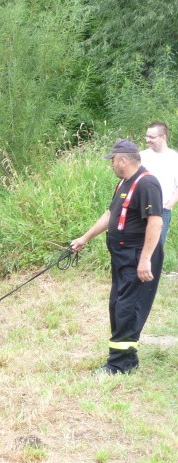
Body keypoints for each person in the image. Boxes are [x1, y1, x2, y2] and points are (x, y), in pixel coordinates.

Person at [70, 139, 164, 375]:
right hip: (122, 254)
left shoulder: (147, 183)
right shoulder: (124, 182)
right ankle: (127, 359)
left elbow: (156, 222)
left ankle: (119, 365)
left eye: (112, 160)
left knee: (127, 307)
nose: (111, 165)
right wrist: (85, 237)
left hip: (137, 254)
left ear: (123, 160)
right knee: (118, 305)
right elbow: (111, 213)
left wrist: (145, 260)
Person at [140, 121, 178, 246]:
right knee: (137, 245)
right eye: (147, 136)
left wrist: (168, 205)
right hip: (140, 208)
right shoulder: (141, 156)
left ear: (163, 137)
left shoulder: (174, 158)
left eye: (152, 137)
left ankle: (155, 266)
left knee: (156, 247)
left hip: (162, 210)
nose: (147, 140)